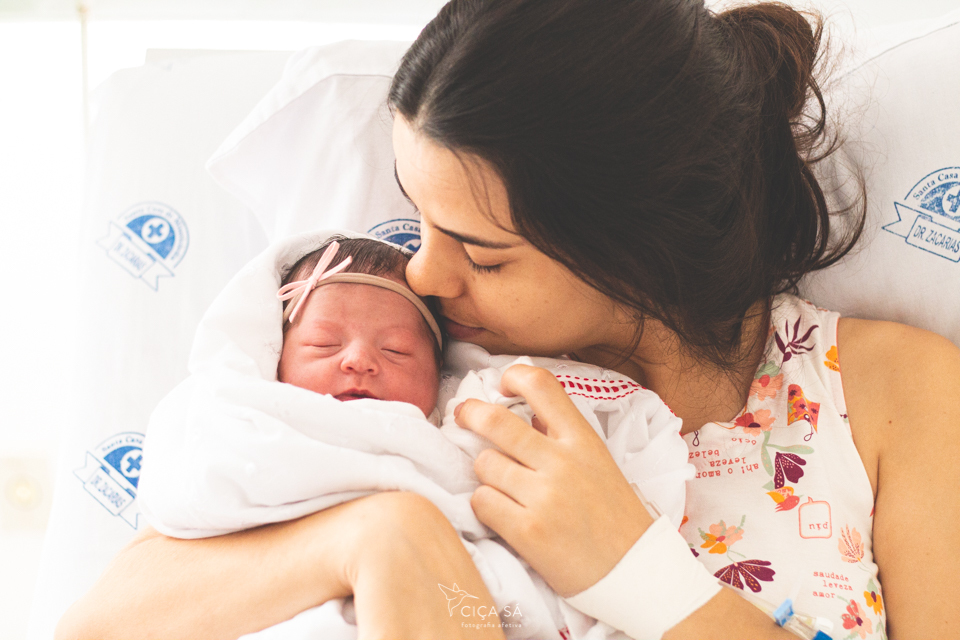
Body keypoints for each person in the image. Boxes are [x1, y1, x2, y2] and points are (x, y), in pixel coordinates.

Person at [56, 0, 960, 639]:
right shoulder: (406, 363)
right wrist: (372, 536)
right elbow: (102, 623)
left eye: (482, 253)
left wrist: (635, 575)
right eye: (418, 216)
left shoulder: (886, 394)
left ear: (634, 246)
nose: (421, 272)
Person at [135, 232, 691, 640]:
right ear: (273, 357)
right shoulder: (245, 420)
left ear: (438, 376)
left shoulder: (464, 430)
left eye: (396, 351)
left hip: (452, 602)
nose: (358, 360)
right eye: (324, 344)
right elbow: (194, 495)